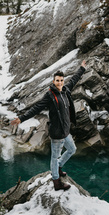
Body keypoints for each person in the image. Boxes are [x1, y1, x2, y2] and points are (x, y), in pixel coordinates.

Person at [11, 60, 87, 191]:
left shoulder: (65, 90)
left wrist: (81, 69)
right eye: (57, 80)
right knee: (54, 157)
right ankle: (56, 181)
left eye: (61, 80)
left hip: (65, 130)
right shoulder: (50, 96)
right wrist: (21, 118)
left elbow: (74, 80)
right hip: (57, 132)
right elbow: (36, 108)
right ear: (53, 81)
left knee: (72, 149)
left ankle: (58, 167)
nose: (59, 83)